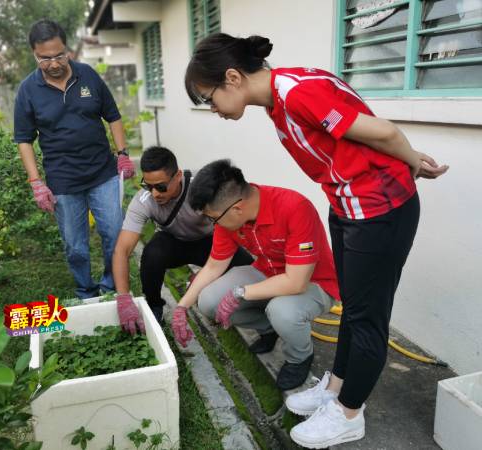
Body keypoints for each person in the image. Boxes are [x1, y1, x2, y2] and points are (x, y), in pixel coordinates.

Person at [184, 33, 449, 448]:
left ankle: (349, 413)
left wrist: (414, 161)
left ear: (232, 78)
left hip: (379, 210)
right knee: (353, 309)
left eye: (208, 98)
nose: (211, 109)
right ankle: (335, 390)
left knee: (367, 318)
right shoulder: (277, 102)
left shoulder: (295, 93)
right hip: (347, 205)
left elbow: (382, 131)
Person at [171, 159, 339, 390]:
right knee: (208, 301)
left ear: (237, 208)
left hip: (313, 282)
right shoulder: (227, 217)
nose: (212, 224)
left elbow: (296, 282)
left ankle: (299, 356)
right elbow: (213, 267)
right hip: (267, 273)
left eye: (213, 219)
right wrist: (182, 307)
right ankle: (268, 328)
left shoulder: (295, 208)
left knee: (282, 311)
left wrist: (240, 293)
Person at [14, 19, 135, 299]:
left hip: (102, 172)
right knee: (75, 245)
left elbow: (113, 116)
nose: (54, 63)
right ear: (34, 54)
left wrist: (123, 154)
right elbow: (24, 139)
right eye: (45, 58)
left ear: (67, 49)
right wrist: (36, 182)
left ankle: (110, 283)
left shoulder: (88, 76)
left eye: (59, 55)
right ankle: (86, 290)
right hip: (63, 179)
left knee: (114, 234)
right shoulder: (28, 90)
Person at [113, 147, 253, 332]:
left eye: (161, 187)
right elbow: (122, 251)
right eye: (148, 186)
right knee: (152, 254)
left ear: (178, 176)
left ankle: (260, 324)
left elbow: (237, 217)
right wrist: (123, 298)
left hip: (211, 243)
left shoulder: (200, 187)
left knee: (249, 268)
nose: (155, 193)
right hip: (174, 243)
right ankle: (155, 306)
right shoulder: (143, 201)